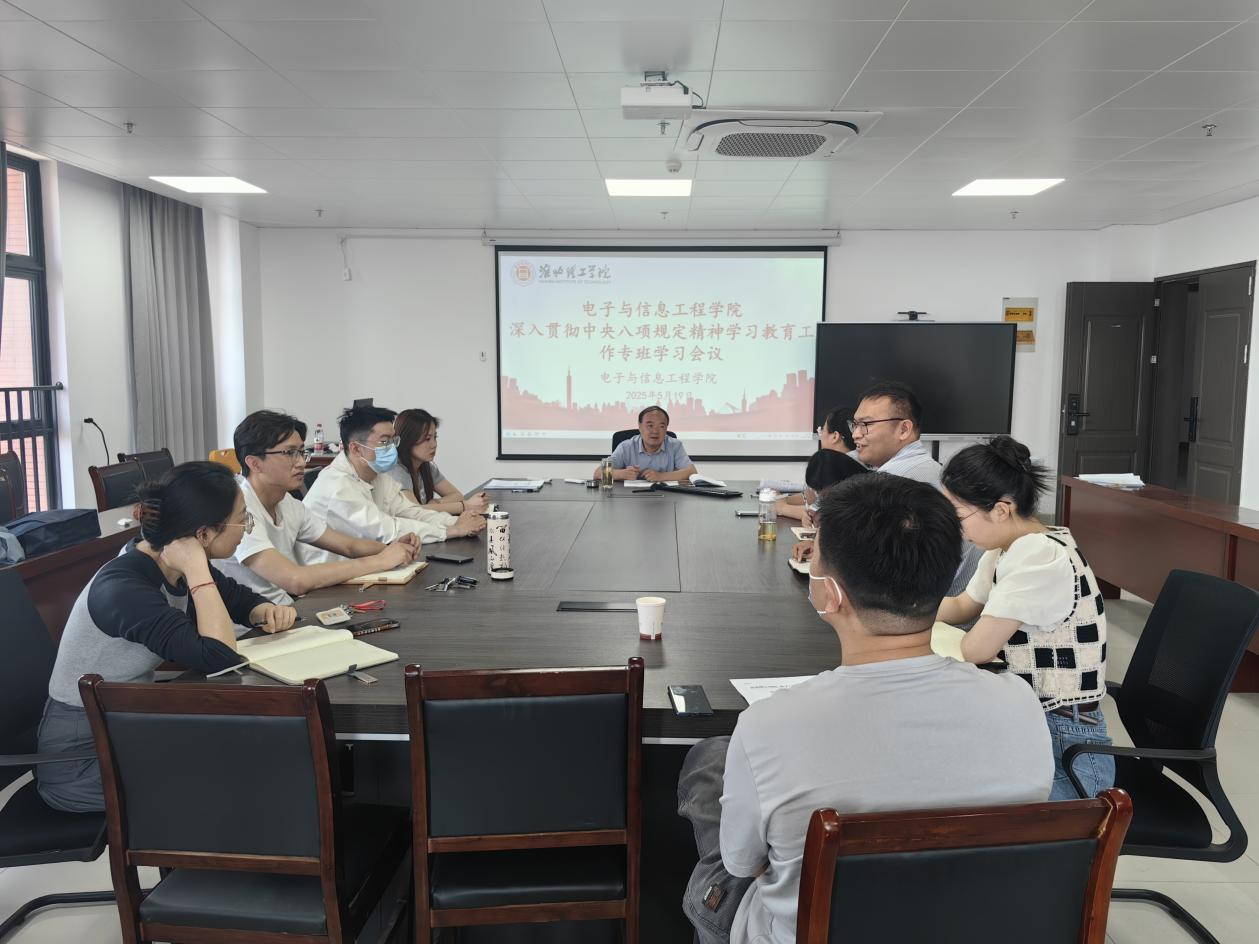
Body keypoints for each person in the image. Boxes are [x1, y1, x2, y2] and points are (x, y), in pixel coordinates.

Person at [677, 474, 1052, 944]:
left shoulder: (768, 727)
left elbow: (744, 864)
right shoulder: (1019, 704)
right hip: (968, 927)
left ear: (830, 594)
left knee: (710, 771)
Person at [36, 462, 297, 813]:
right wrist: (197, 568)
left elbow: (238, 599)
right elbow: (219, 656)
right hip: (82, 757)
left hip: (128, 724)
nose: (246, 528)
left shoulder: (167, 561)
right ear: (203, 534)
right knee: (235, 773)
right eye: (242, 519)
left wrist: (264, 611)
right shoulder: (125, 589)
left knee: (252, 750)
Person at [937, 435, 1115, 801]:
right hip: (1035, 724)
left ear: (1001, 510)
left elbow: (976, 650)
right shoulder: (1010, 545)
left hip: (1066, 749)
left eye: (959, 515)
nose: (957, 528)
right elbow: (961, 606)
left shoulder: (1039, 556)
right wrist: (897, 606)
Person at [215, 410, 421, 604]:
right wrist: (380, 561)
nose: (301, 462)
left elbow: (348, 546)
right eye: (289, 453)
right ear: (254, 463)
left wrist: (394, 549)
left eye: (301, 452)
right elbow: (295, 580)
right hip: (254, 624)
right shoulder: (239, 510)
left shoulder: (287, 503)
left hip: (286, 611)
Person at [302, 405, 485, 561]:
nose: (391, 448)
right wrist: (450, 531)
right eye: (384, 442)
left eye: (393, 440)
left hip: (360, 565)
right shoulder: (337, 485)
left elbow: (410, 512)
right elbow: (386, 529)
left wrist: (456, 522)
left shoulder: (377, 475)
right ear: (356, 448)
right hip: (325, 579)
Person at [851, 379, 983, 596]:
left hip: (936, 608)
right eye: (855, 424)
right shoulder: (931, 468)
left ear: (904, 429)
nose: (856, 434)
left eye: (866, 424)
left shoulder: (893, 483)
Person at [392, 408, 489, 515]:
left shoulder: (426, 466)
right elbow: (415, 511)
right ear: (408, 439)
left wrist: (437, 503)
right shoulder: (396, 470)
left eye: (435, 437)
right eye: (427, 439)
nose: (434, 444)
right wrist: (466, 506)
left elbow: (457, 495)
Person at [775, 406, 865, 522]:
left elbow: (818, 514)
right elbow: (812, 496)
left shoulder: (837, 467)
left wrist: (782, 508)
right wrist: (783, 500)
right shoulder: (856, 459)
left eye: (822, 430)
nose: (820, 435)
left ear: (835, 436)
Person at [788, 449, 869, 562]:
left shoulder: (869, 496)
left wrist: (821, 545)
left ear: (843, 480)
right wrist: (814, 542)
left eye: (826, 493)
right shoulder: (834, 490)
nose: (822, 497)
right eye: (818, 491)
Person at [595, 405, 698, 483]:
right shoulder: (626, 447)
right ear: (640, 427)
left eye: (661, 426)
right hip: (630, 498)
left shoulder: (675, 446)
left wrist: (660, 476)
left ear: (666, 428)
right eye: (650, 425)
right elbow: (598, 473)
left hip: (666, 498)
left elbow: (692, 472)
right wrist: (622, 474)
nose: (655, 431)